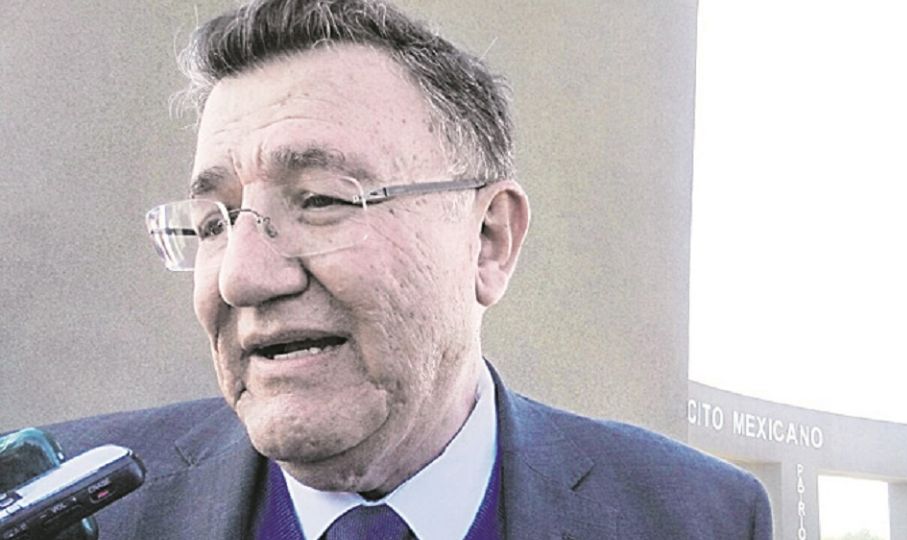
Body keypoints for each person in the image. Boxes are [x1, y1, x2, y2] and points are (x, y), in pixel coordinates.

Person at [43, 0, 772, 538]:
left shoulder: (696, 515)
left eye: (321, 199)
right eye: (214, 222)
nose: (242, 276)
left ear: (488, 240)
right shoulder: (61, 508)